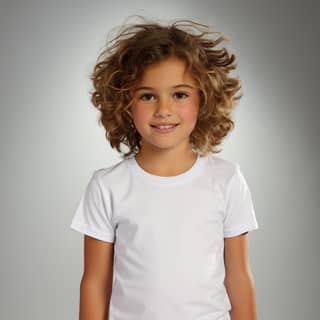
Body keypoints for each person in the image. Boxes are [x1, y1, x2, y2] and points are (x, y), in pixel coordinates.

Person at [70, 15, 260, 320]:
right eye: (147, 96)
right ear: (125, 103)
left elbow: (238, 277)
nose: (164, 110)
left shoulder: (226, 180)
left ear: (204, 98)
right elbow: (95, 283)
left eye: (180, 94)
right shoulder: (108, 187)